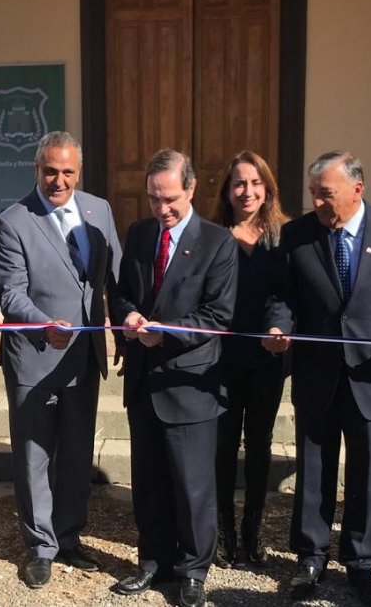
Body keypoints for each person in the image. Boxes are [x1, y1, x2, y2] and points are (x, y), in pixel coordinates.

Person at [263, 150, 371, 607]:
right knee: (315, 468)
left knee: (370, 472)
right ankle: (310, 558)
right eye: (314, 195)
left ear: (357, 189)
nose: (318, 203)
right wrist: (279, 327)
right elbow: (283, 297)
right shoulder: (296, 236)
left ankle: (362, 563)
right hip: (318, 373)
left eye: (327, 195)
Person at [0, 130, 122, 589]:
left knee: (76, 454)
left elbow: (113, 277)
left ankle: (68, 535)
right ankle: (40, 546)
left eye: (68, 172)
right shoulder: (13, 221)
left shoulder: (99, 210)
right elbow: (11, 291)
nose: (58, 180)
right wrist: (44, 322)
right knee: (34, 456)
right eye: (50, 171)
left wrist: (129, 326)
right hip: (36, 357)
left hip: (83, 358)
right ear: (37, 169)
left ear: (78, 172)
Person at [110, 149, 237, 607]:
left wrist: (162, 336)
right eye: (152, 199)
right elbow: (121, 293)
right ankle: (153, 561)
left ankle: (192, 570)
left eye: (169, 200)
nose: (161, 210)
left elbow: (217, 315)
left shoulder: (218, 242)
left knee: (192, 486)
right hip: (144, 382)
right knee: (149, 481)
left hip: (190, 383)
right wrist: (128, 317)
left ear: (191, 188)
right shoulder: (141, 234)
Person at [210, 150, 291, 568]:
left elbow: (287, 295)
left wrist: (280, 329)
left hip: (267, 356)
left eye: (256, 183)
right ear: (227, 190)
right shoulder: (210, 234)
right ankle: (222, 530)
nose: (248, 191)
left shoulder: (284, 236)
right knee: (223, 445)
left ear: (268, 188)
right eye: (239, 183)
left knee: (258, 444)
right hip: (220, 358)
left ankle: (253, 530)